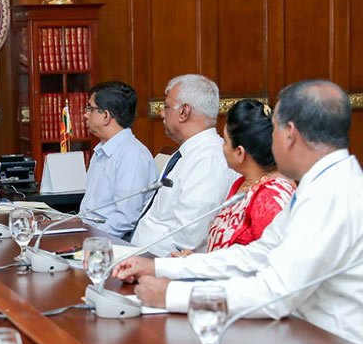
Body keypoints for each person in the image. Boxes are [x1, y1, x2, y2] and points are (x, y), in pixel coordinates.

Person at [114, 80, 363, 344]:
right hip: (304, 338)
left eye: (274, 130)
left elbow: (275, 292)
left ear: (290, 133)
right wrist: (160, 266)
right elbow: (253, 255)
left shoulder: (331, 194)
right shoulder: (322, 183)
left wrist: (174, 294)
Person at [129, 74, 239, 255]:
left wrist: (145, 266)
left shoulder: (209, 159)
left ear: (184, 111)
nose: (162, 113)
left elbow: (188, 238)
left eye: (166, 106)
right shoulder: (186, 154)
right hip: (138, 255)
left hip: (158, 265)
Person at [180, 99, 295, 254]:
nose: (222, 147)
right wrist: (196, 261)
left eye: (226, 141)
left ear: (240, 153)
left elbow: (261, 263)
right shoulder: (243, 183)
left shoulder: (271, 197)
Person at [78, 81, 157, 237]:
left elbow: (124, 219)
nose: (85, 114)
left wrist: (87, 240)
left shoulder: (132, 155)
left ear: (106, 116)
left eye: (90, 108)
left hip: (108, 243)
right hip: (88, 234)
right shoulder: (101, 151)